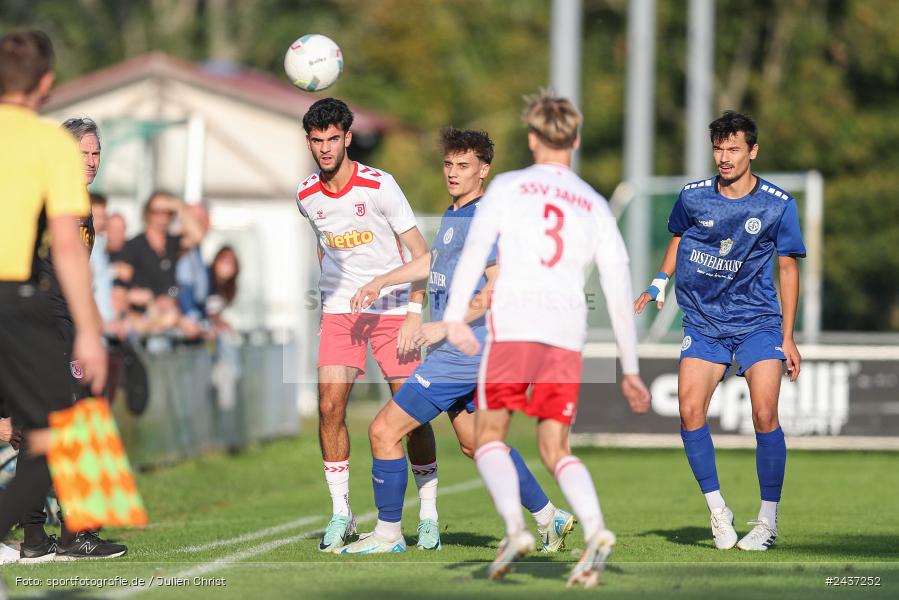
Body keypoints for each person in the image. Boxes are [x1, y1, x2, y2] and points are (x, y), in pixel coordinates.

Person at [444, 92, 651, 587]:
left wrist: (454, 317)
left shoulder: (510, 187)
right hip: (564, 334)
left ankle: (516, 528)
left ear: (533, 139)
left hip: (515, 326)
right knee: (556, 446)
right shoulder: (595, 204)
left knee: (490, 436)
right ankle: (595, 526)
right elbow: (619, 286)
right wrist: (631, 369)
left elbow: (475, 252)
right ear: (575, 140)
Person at [339, 128, 576, 555]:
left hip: (467, 351)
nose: (453, 173)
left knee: (382, 431)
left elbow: (494, 290)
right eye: (449, 164)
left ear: (484, 170)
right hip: (467, 351)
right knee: (478, 444)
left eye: (463, 166)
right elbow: (433, 263)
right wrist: (382, 281)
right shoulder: (457, 215)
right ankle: (550, 518)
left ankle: (388, 536)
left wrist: (445, 326)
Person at [634, 111, 805, 552]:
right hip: (704, 322)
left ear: (753, 151)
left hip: (757, 322)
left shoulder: (777, 203)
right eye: (718, 149)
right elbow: (678, 235)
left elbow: (787, 270)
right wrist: (659, 281)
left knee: (765, 415)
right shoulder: (692, 196)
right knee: (690, 411)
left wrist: (787, 337)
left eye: (734, 149)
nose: (724, 158)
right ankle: (718, 511)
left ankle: (767, 521)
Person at [294, 98, 437, 552]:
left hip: (394, 310)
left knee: (409, 415)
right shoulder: (305, 195)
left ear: (348, 138)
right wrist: (329, 293)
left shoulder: (380, 186)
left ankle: (429, 513)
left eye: (332, 139)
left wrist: (415, 313)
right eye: (317, 141)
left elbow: (421, 257)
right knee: (329, 408)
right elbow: (325, 246)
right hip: (341, 313)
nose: (325, 149)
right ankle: (342, 513)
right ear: (309, 143)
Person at [0, 30, 106, 570]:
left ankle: (42, 536)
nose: (89, 159)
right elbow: (65, 248)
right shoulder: (48, 147)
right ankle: (40, 533)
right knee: (50, 432)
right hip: (20, 303)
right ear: (46, 83)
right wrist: (90, 330)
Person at [15, 116, 128, 561]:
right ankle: (74, 533)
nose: (92, 161)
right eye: (82, 152)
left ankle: (36, 538)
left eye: (96, 152)